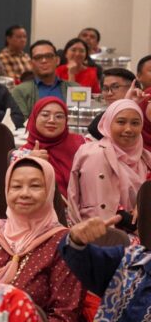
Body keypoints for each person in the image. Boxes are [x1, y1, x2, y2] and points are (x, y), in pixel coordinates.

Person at [0, 157, 84, 322]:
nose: (24, 193)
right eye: (16, 186)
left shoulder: (64, 243)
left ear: (50, 191)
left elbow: (63, 316)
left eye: (35, 186)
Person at [68, 99, 151, 227]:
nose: (128, 129)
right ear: (107, 123)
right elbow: (84, 199)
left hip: (140, 232)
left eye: (135, 123)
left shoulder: (146, 159)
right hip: (95, 230)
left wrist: (145, 206)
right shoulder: (92, 154)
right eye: (121, 122)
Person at [12, 97, 84, 196]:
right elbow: (16, 191)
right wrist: (30, 163)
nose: (52, 120)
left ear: (66, 120)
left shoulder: (81, 145)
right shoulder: (21, 154)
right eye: (45, 115)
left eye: (59, 116)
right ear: (34, 118)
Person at [11, 40, 75, 117]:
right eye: (38, 57)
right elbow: (22, 121)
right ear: (31, 64)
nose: (44, 60)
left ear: (57, 60)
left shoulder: (75, 88)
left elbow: (80, 119)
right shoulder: (20, 91)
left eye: (49, 56)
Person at [88, 67, 136, 139]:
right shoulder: (110, 111)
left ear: (132, 87)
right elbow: (94, 129)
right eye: (105, 88)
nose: (109, 93)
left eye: (115, 87)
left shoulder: (142, 109)